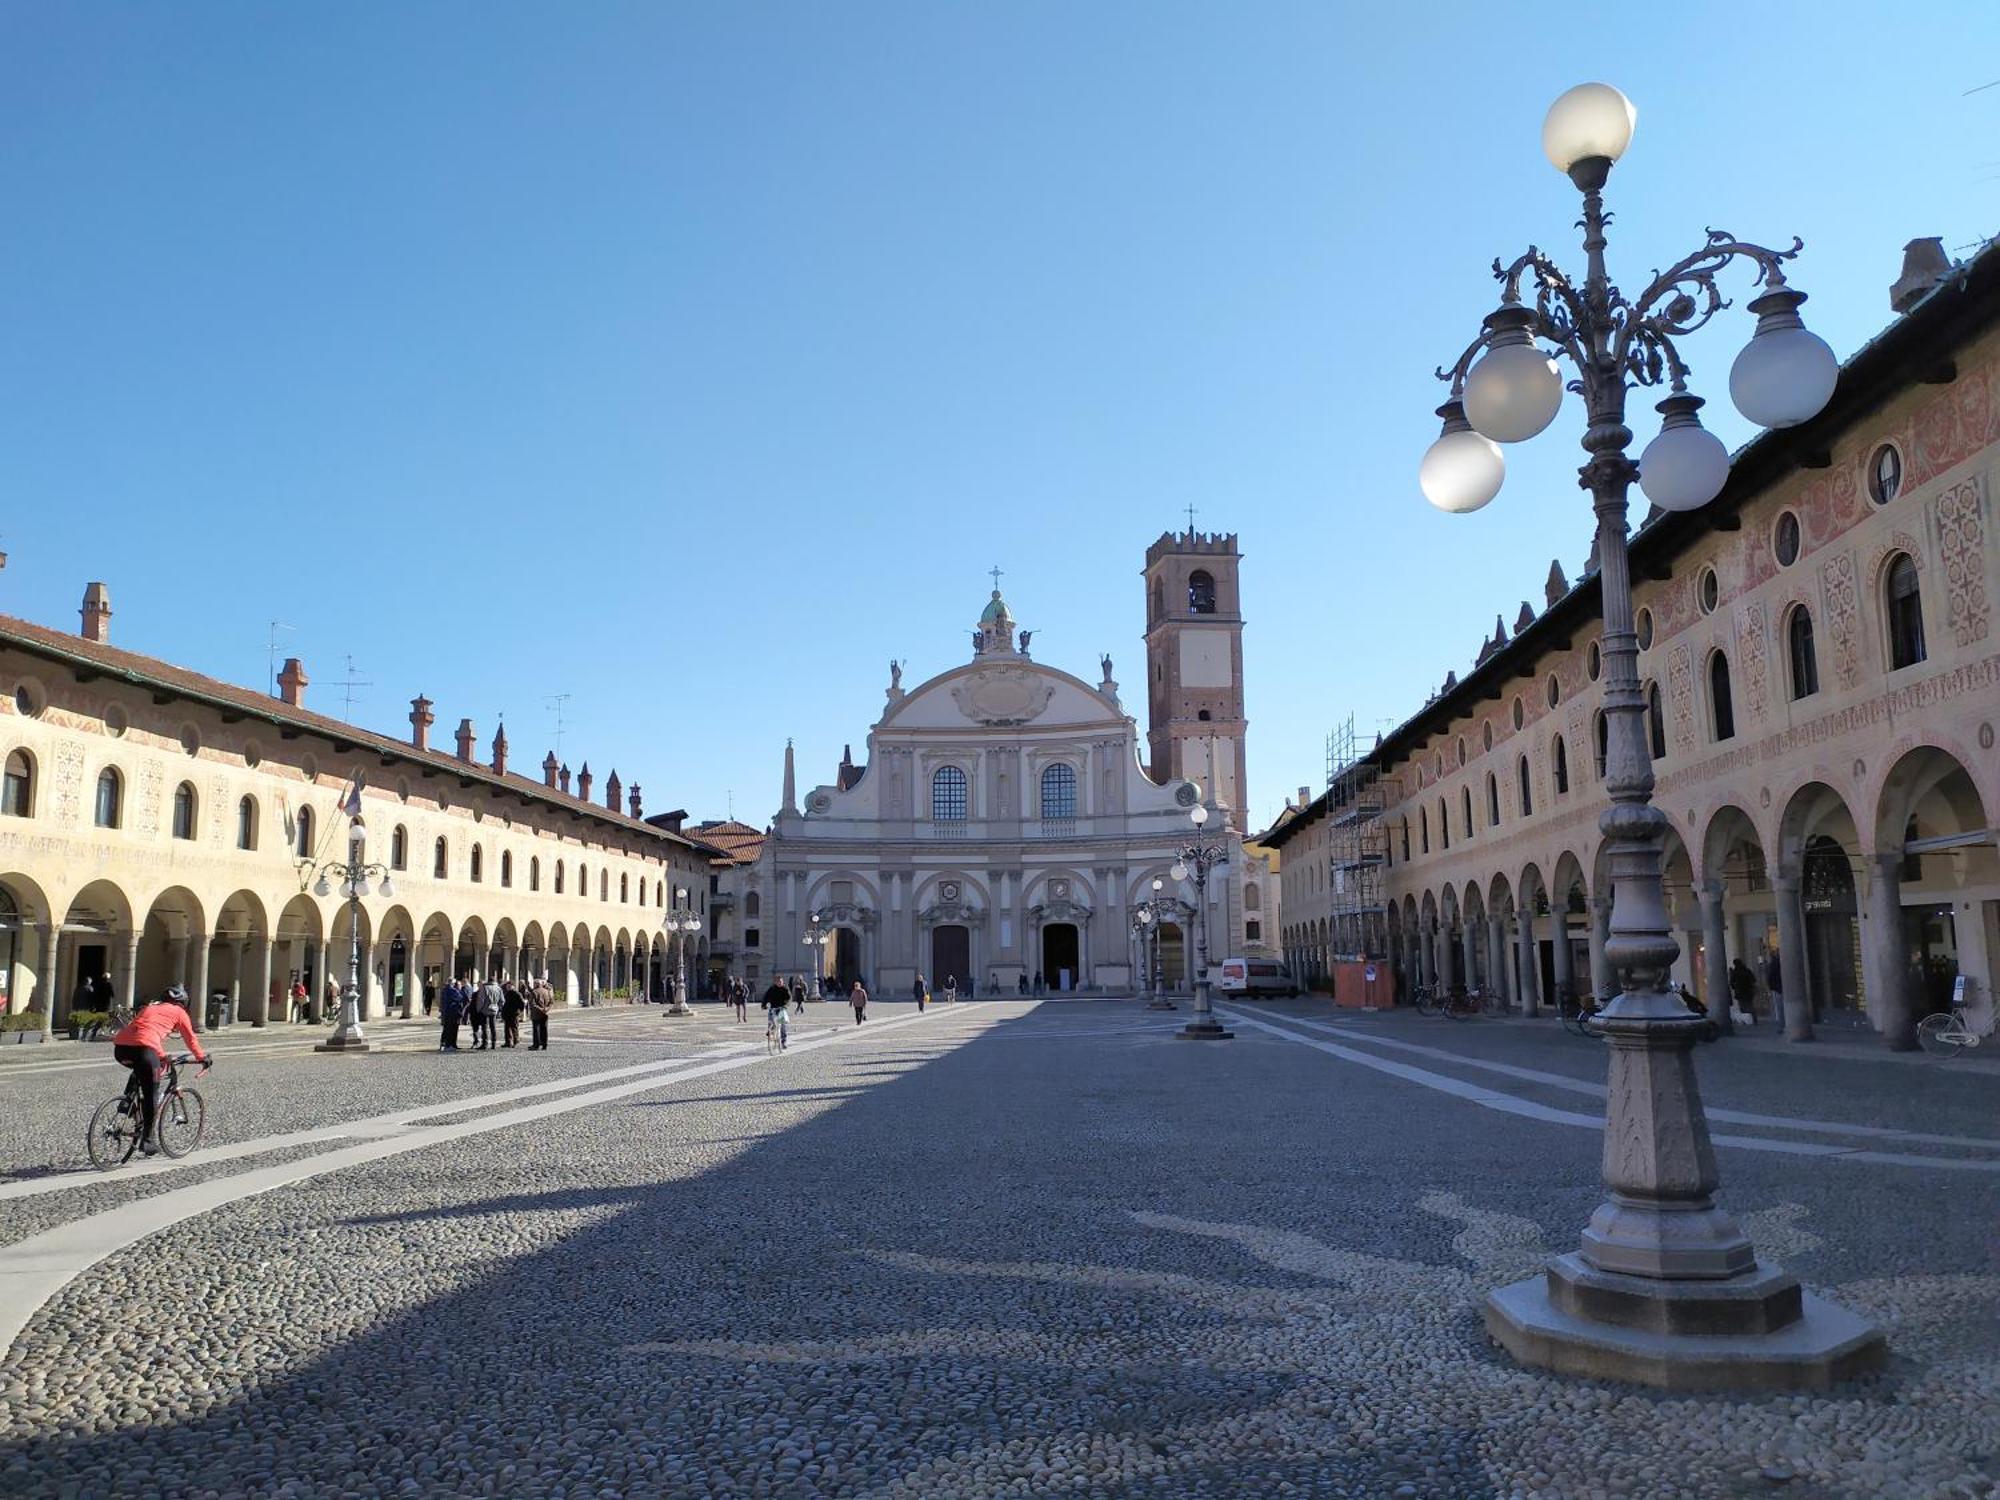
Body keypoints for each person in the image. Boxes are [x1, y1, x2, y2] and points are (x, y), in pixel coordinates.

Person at [111, 986, 211, 1154]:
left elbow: (142, 1030)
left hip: (120, 1048)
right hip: (145, 1049)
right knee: (151, 1094)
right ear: (183, 1003)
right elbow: (191, 1039)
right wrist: (202, 1058)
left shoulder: (150, 1008)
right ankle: (148, 1140)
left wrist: (161, 1055)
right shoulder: (180, 1013)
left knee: (142, 1069)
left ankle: (127, 1100)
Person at [476, 974, 503, 1050]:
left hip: (485, 1009)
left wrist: (479, 1009)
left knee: (484, 1027)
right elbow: (502, 1000)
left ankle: (485, 1043)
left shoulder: (484, 988)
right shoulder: (498, 988)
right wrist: (499, 1008)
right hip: (494, 1009)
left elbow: (481, 1000)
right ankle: (494, 1043)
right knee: (493, 1027)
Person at [762, 978, 791, 1050]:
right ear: (775, 982)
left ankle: (784, 1041)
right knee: (770, 1021)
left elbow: (789, 998)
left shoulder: (785, 989)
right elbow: (766, 997)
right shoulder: (771, 989)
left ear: (782, 982)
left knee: (783, 1025)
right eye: (778, 982)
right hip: (773, 1008)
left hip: (781, 1009)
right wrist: (764, 1005)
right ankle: (770, 1032)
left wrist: (786, 1005)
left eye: (781, 982)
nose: (780, 983)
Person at [438, 978, 466, 1052]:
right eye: (455, 984)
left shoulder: (444, 990)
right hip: (452, 1012)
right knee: (450, 1029)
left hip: (447, 1012)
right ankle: (449, 1045)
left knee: (448, 1029)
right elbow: (460, 997)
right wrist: (459, 990)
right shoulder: (451, 990)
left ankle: (448, 1044)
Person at [1728, 958, 1757, 1025]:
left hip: (1740, 991)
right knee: (1750, 1005)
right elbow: (1753, 980)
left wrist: (1735, 987)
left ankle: (1747, 1020)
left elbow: (1732, 982)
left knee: (1743, 1006)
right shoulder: (1746, 970)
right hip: (1748, 991)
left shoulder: (1736, 972)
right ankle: (1753, 1019)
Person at [528, 974, 553, 1050]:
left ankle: (536, 1045)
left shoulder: (534, 992)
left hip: (536, 1014)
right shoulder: (547, 991)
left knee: (536, 1029)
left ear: (536, 984)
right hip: (545, 1013)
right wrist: (546, 1009)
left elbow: (532, 1004)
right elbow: (551, 1002)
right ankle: (544, 1044)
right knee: (544, 1029)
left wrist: (540, 1009)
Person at [1762, 948, 1785, 1029]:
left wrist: (1770, 987)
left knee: (1780, 1008)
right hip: (1780, 987)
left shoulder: (1774, 964)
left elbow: (1770, 977)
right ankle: (1783, 1025)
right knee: (1781, 1008)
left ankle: (1782, 1025)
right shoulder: (1780, 963)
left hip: (1778, 988)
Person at [501, 979, 525, 1048]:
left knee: (514, 1028)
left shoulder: (517, 993)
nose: (508, 987)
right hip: (507, 1014)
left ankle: (516, 1041)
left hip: (514, 1014)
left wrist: (520, 1011)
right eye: (507, 986)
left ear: (513, 986)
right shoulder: (507, 993)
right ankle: (508, 1042)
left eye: (509, 986)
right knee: (507, 1028)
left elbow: (522, 1003)